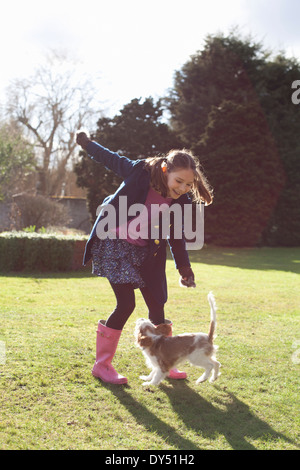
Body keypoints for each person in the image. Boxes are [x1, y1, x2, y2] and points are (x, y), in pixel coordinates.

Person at [76, 132, 213, 384]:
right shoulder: (140, 172)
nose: (182, 189)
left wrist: (184, 267)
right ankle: (102, 365)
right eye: (179, 181)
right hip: (114, 243)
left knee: (157, 303)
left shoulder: (179, 200)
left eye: (187, 185)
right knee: (126, 304)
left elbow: (176, 234)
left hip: (145, 250)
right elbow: (112, 159)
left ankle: (166, 361)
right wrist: (87, 144)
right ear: (165, 169)